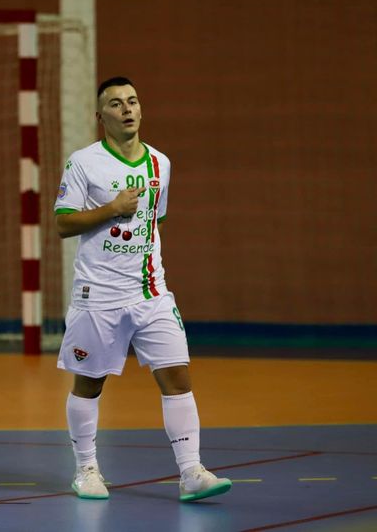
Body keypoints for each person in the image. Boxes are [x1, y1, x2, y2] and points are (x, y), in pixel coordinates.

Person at [53, 76, 231, 503]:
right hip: (98, 295)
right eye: (116, 104)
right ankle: (86, 470)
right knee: (89, 384)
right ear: (101, 117)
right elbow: (62, 223)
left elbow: (156, 222)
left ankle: (191, 473)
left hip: (151, 292)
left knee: (177, 377)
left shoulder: (160, 164)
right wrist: (111, 209)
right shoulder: (83, 163)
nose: (127, 109)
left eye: (132, 101)